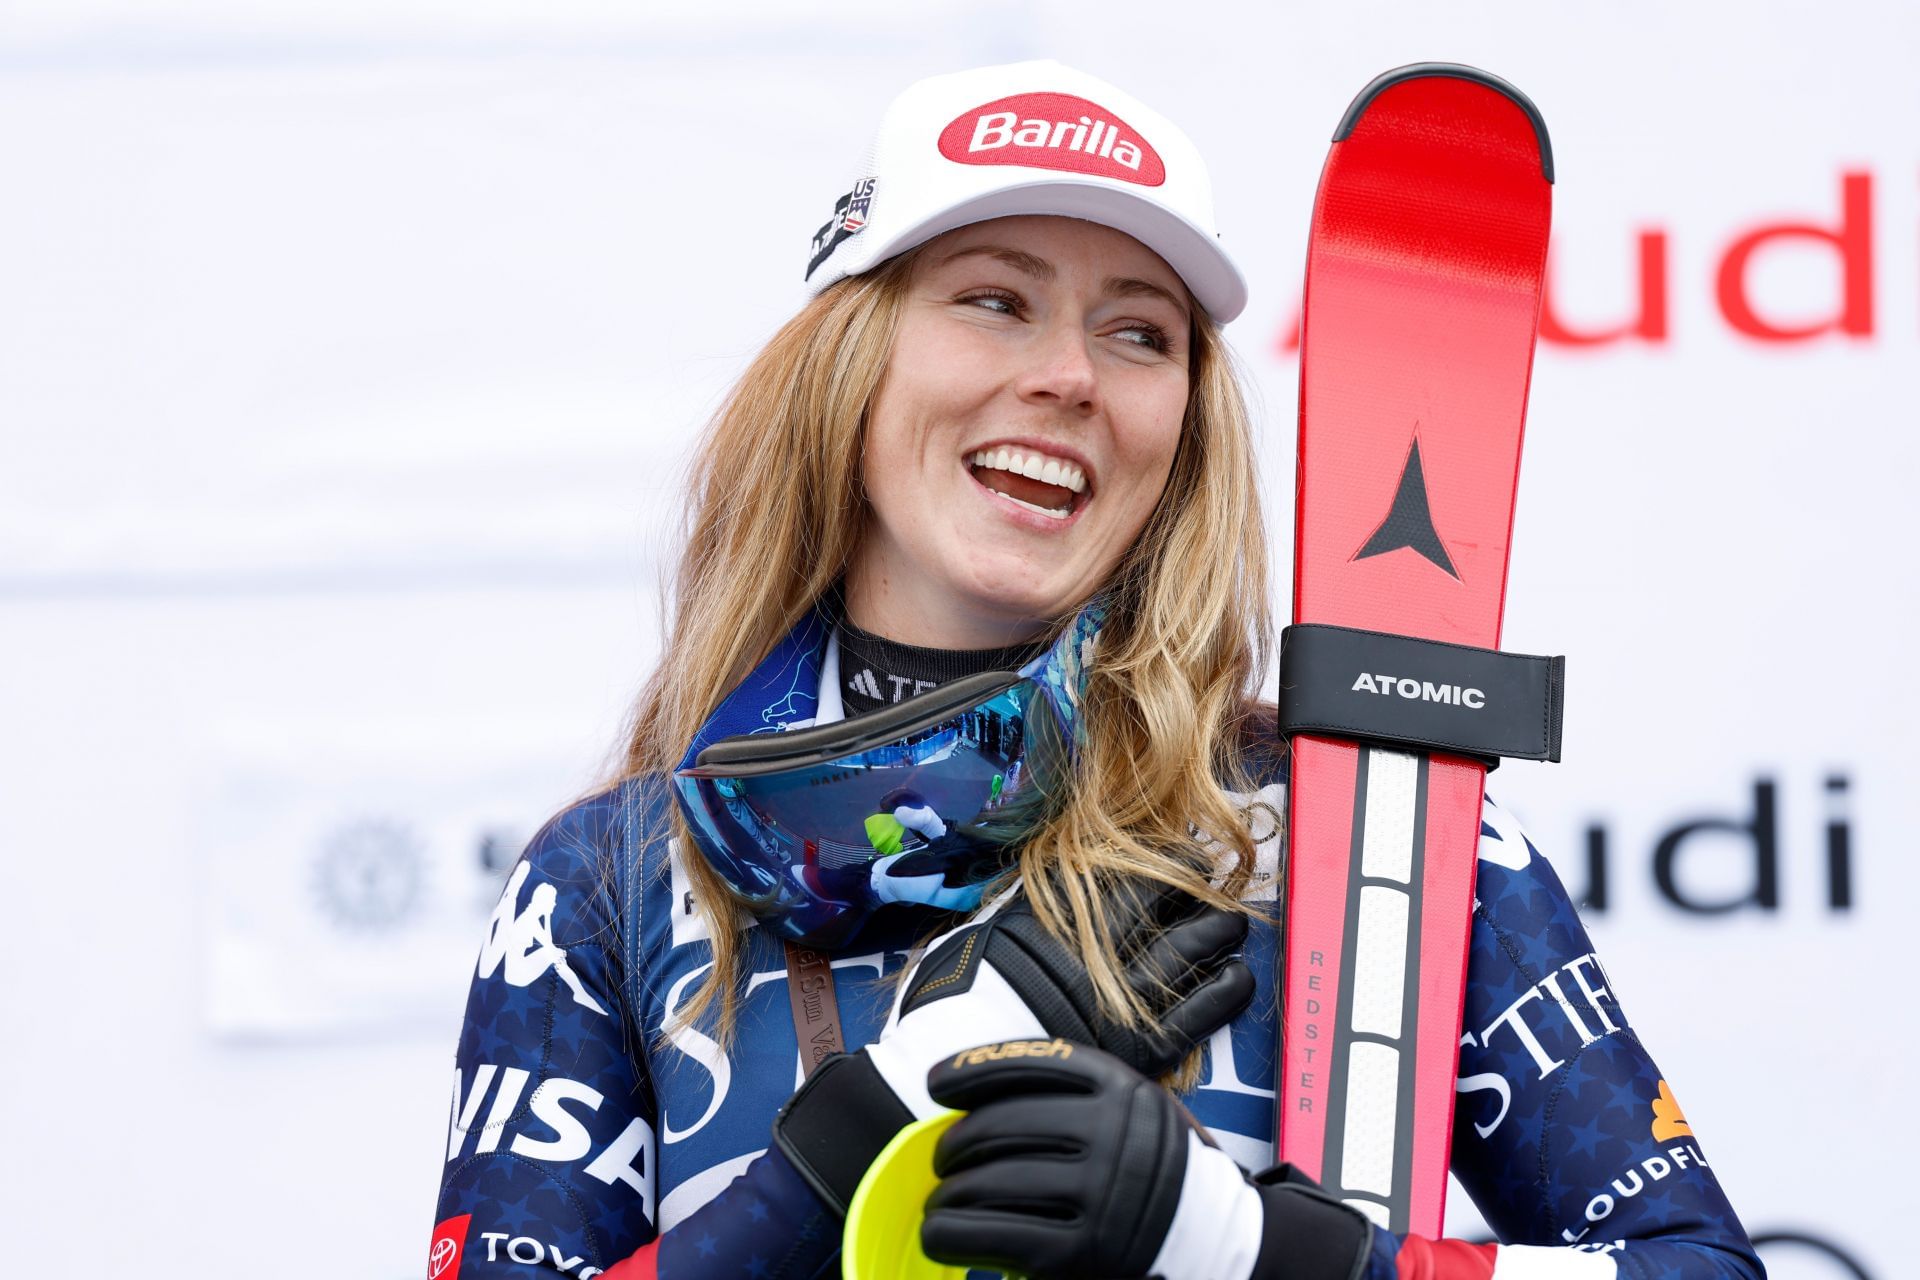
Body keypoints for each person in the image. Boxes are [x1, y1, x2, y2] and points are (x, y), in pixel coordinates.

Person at [430, 60, 1762, 1280]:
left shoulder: (1363, 825)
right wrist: (855, 1147)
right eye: (994, 301)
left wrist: (1263, 1253)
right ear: (849, 364)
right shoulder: (611, 881)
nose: (1069, 375)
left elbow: (1698, 1270)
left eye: (1139, 333)